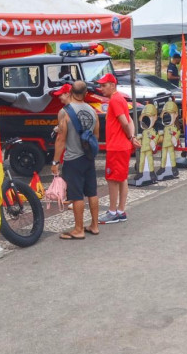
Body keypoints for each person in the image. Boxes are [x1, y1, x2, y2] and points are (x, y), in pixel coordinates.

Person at [50, 81, 100, 240]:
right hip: (88, 157)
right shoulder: (93, 111)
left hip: (73, 158)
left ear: (71, 92)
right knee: (92, 192)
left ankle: (79, 229)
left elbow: (60, 139)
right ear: (86, 93)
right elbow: (96, 136)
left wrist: (55, 162)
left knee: (77, 194)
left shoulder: (64, 112)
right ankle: (94, 225)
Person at [97, 73, 135, 225]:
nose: (101, 89)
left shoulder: (115, 100)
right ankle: (120, 210)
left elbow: (125, 122)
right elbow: (130, 120)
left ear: (112, 85)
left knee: (112, 179)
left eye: (103, 85)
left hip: (116, 147)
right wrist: (131, 137)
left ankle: (113, 211)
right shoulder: (120, 99)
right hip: (122, 146)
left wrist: (129, 136)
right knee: (121, 178)